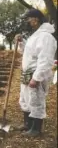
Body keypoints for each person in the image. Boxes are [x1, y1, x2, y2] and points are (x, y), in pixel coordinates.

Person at [15, 8, 57, 137]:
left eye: (28, 18)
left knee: (36, 99)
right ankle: (27, 124)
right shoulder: (35, 35)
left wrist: (37, 78)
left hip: (36, 74)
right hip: (27, 72)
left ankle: (36, 129)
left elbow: (46, 59)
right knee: (26, 98)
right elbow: (28, 53)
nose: (27, 21)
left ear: (36, 19)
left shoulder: (46, 36)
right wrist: (21, 42)